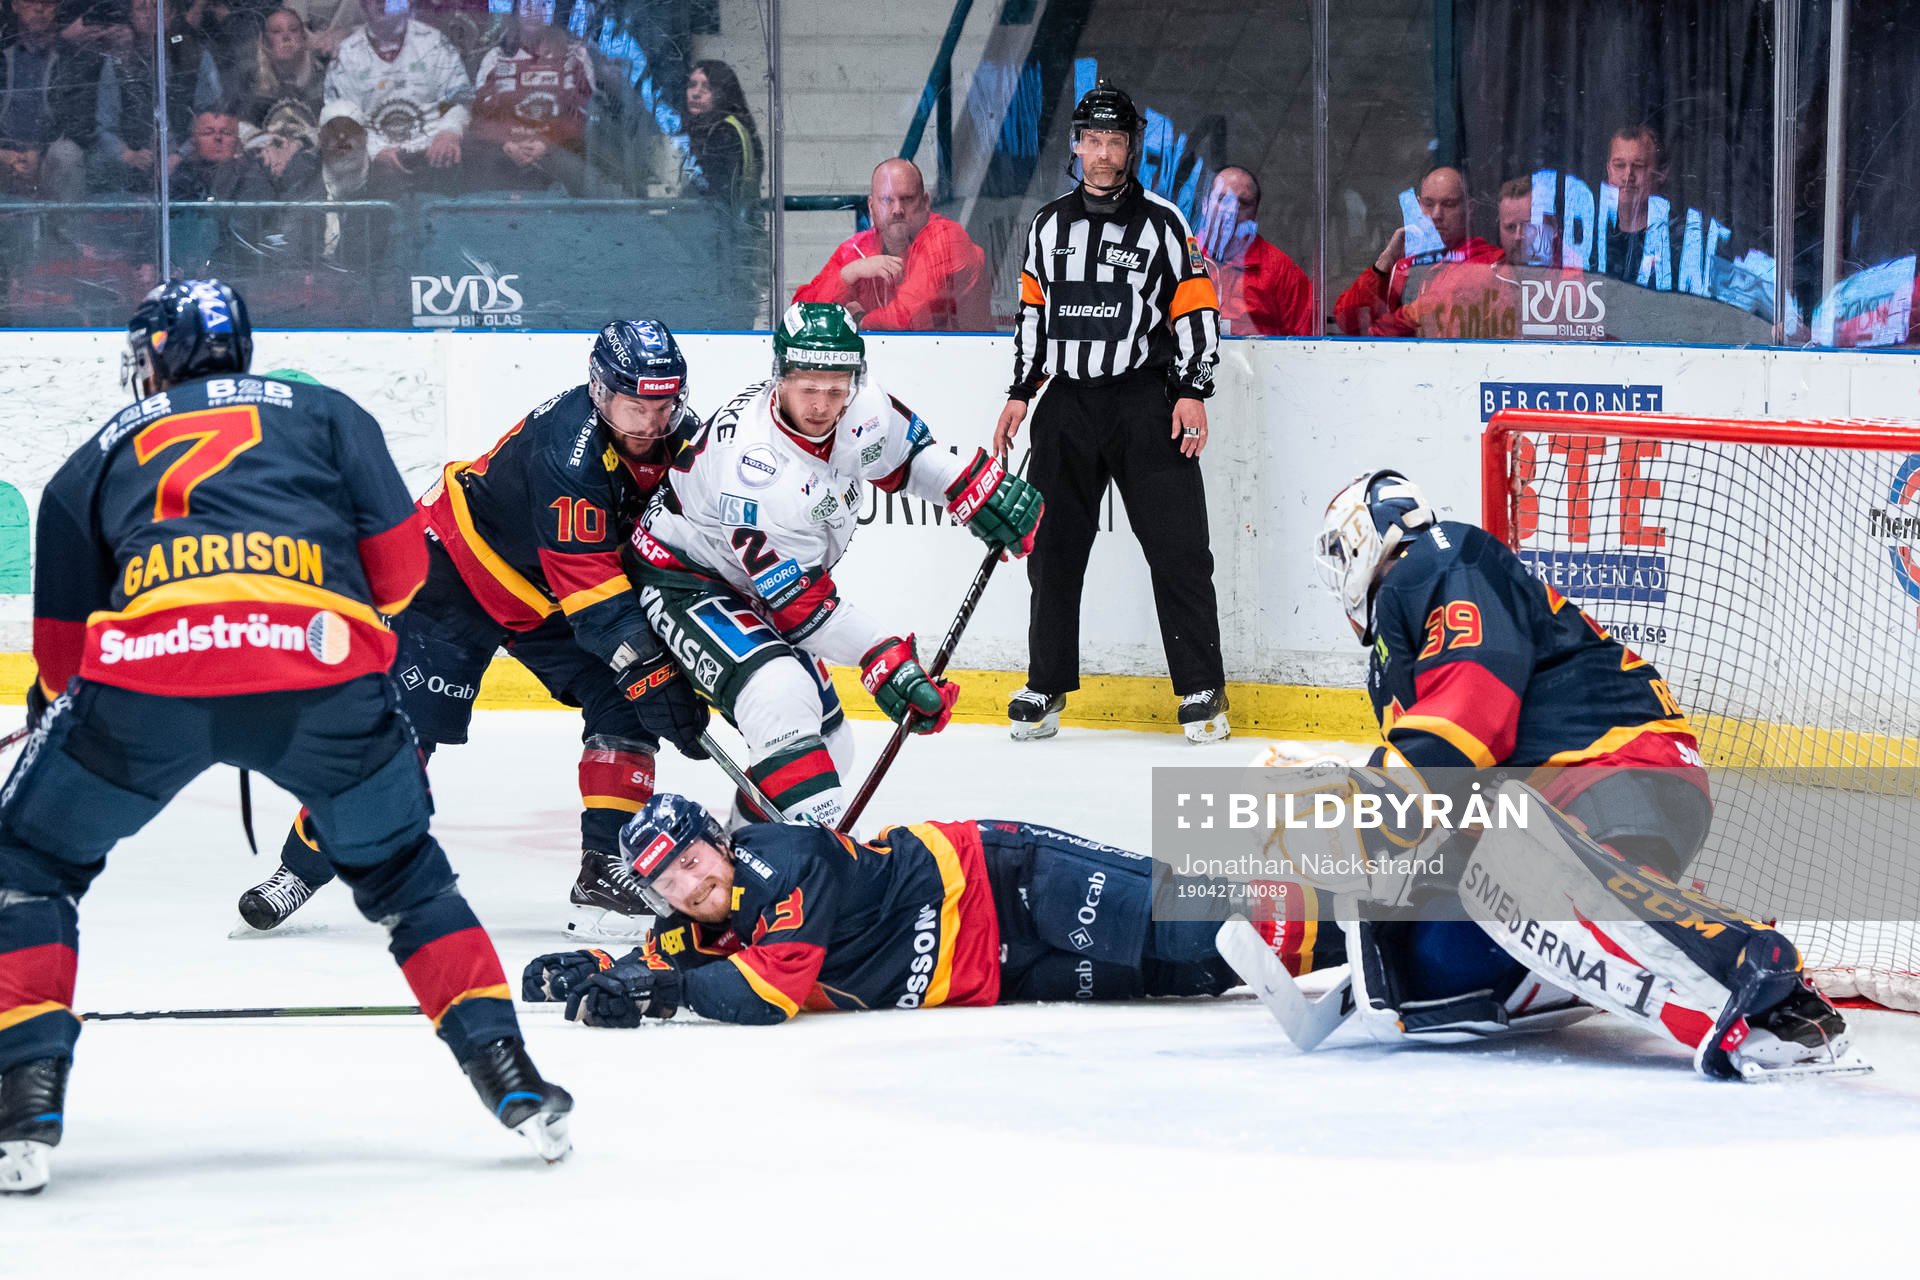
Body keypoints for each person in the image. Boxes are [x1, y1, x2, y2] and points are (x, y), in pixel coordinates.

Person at [0, 280, 571, 1195]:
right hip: (322, 674)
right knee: (405, 877)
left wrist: (64, 707)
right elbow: (400, 572)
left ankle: (23, 1108)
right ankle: (513, 1082)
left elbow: (64, 662)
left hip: (151, 680)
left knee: (25, 869)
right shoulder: (329, 412)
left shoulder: (94, 454)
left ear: (156, 356)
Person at [1299, 469, 1855, 1077]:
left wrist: (1373, 794)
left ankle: (1754, 974)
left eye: (1337, 547)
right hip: (1547, 803)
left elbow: (1473, 710)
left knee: (1495, 848)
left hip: (1614, 764)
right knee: (1432, 962)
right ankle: (1187, 944)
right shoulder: (1394, 642)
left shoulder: (1441, 560)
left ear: (1368, 530)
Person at [236, 320, 712, 941]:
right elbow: (594, 591)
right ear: (599, 392)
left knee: (623, 703)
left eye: (662, 403)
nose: (651, 421)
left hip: (540, 589)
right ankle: (299, 868)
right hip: (453, 574)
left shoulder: (683, 438)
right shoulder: (567, 451)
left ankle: (604, 873)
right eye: (634, 404)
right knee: (401, 743)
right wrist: (649, 670)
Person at [626, 302, 1042, 827]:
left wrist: (973, 490)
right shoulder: (754, 471)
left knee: (831, 746)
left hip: (752, 582)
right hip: (685, 578)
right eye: (806, 387)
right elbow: (803, 611)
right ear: (778, 378)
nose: (822, 405)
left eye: (835, 387)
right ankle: (790, 880)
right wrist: (884, 658)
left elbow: (909, 459)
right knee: (782, 698)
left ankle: (741, 859)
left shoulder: (863, 407)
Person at [518, 792, 1311, 1026]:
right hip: (1002, 974)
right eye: (669, 884)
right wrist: (600, 970)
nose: (689, 887)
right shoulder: (694, 924)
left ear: (719, 843)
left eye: (692, 862)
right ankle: (1364, 952)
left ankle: (1390, 917)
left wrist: (670, 993)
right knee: (1197, 971)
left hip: (1005, 880)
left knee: (1207, 923)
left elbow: (770, 994)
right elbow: (660, 960)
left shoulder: (784, 862)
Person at [990, 79, 1229, 745]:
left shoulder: (1164, 223)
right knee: (1052, 551)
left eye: (1113, 141)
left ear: (1130, 149)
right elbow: (1034, 318)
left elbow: (1196, 312)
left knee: (1179, 548)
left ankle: (1202, 690)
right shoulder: (1047, 226)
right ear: (1076, 144)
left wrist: (1192, 391)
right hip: (1066, 405)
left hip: (1144, 404)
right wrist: (1020, 390)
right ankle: (1047, 685)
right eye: (1091, 140)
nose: (1101, 153)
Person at [791, 157, 990, 332]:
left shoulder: (947, 237)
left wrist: (858, 321)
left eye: (907, 199)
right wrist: (847, 275)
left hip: (958, 365)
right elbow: (799, 318)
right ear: (871, 206)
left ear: (926, 202)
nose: (897, 210)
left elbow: (908, 319)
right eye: (887, 200)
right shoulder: (858, 249)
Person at [1332, 165, 1502, 336]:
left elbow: (1438, 313)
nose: (1436, 214)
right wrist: (1385, 261)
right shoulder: (1404, 266)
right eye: (1428, 204)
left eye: (1448, 204)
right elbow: (1347, 320)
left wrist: (1377, 331)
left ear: (1469, 208)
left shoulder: (1490, 262)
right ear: (1419, 205)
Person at [321, 0, 468, 191]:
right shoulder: (346, 56)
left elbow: (457, 98)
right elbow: (341, 122)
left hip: (435, 156)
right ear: (363, 5)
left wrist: (450, 131)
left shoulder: (434, 43)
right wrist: (373, 153)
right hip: (374, 167)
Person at [467, 5, 593, 195]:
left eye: (542, 4)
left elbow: (586, 112)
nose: (534, 11)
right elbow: (480, 113)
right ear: (516, 13)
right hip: (503, 150)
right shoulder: (496, 57)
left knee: (577, 172)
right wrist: (507, 143)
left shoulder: (575, 55)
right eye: (527, 5)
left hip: (560, 149)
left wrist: (548, 142)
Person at [1196, 165, 1312, 337]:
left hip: (1259, 363)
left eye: (1243, 204)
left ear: (1255, 213)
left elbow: (1308, 346)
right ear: (1205, 204)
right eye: (1222, 199)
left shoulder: (1282, 271)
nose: (1232, 211)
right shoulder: (1180, 256)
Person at [0, 0, 97, 200]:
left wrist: (39, 152)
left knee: (67, 154)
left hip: (49, 156)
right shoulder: (2, 56)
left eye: (48, 2)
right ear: (14, 5)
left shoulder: (73, 58)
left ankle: (65, 231)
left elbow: (79, 121)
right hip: (4, 155)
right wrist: (4, 154)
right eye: (31, 1)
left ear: (58, 7)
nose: (39, 8)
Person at [679, 57, 759, 213]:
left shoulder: (724, 132)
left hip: (722, 231)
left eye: (706, 88)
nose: (696, 94)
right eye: (692, 85)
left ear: (723, 94)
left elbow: (718, 192)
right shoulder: (735, 126)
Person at [236, 7, 325, 144]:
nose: (286, 37)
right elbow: (240, 124)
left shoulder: (321, 76)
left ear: (303, 37)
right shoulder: (250, 77)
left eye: (293, 30)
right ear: (265, 41)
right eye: (276, 31)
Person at [1599, 124, 1673, 288]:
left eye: (1638, 166)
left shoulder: (1678, 241)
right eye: (1619, 165)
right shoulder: (1594, 238)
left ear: (1661, 174)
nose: (1627, 176)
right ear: (1609, 170)